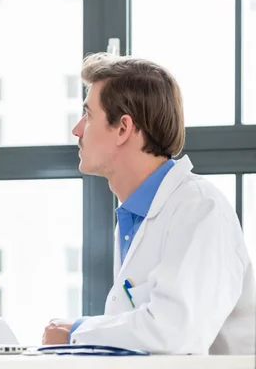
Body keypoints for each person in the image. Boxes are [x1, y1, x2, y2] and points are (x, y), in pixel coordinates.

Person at [42, 53, 256, 355]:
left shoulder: (200, 209)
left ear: (123, 129)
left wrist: (76, 333)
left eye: (88, 115)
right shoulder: (136, 216)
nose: (77, 130)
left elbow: (174, 333)